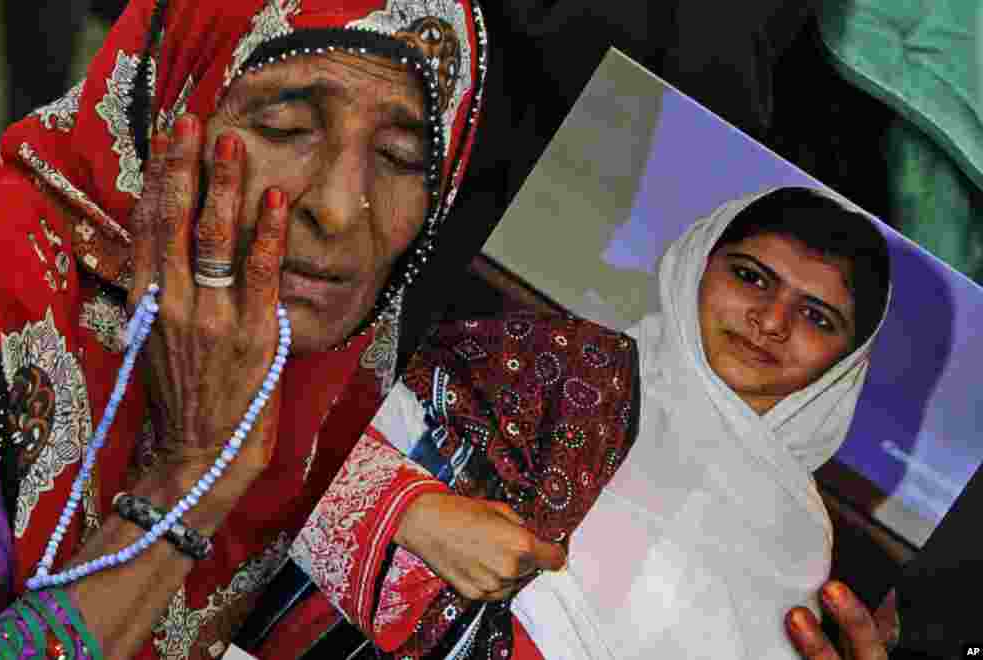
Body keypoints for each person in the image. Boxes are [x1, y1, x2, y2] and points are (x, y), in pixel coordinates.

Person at [0, 0, 488, 656]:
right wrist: (193, 473)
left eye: (402, 157)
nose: (338, 207)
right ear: (173, 103)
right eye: (287, 127)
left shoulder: (341, 386)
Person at [285, 186, 895, 659]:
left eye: (816, 316)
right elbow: (285, 455)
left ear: (846, 363)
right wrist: (412, 513)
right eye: (751, 277)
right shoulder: (551, 364)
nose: (770, 321)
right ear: (697, 265)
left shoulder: (799, 547)